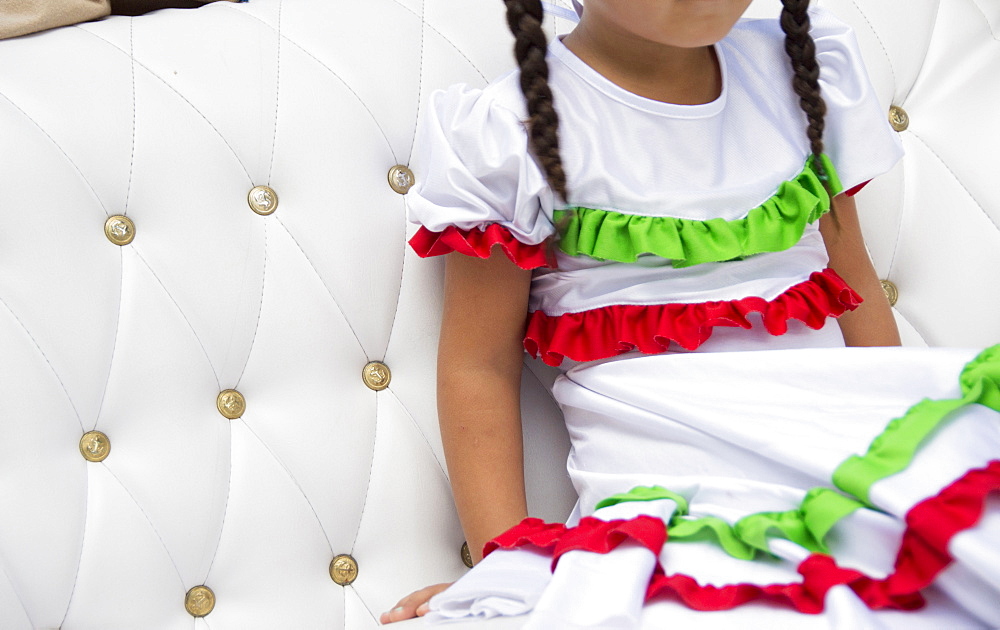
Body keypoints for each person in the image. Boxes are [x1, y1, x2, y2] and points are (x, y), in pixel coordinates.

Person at [382, 0, 1000, 626]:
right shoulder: (503, 134)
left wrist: (908, 453)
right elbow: (478, 365)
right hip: (664, 471)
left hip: (831, 429)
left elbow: (855, 285)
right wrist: (504, 563)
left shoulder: (800, 72)